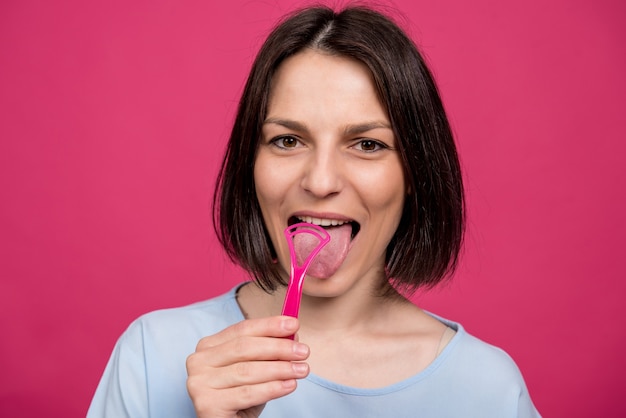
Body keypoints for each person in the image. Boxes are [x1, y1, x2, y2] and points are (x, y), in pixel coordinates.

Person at [88, 5, 540, 418]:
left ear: (415, 175)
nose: (321, 182)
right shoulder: (152, 355)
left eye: (367, 145)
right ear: (251, 162)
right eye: (288, 140)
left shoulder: (488, 389)